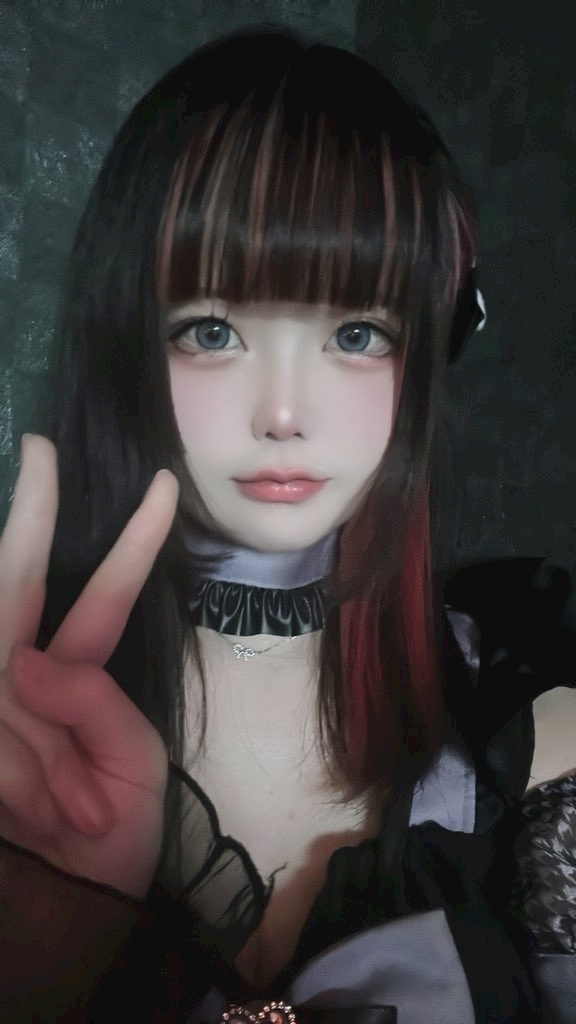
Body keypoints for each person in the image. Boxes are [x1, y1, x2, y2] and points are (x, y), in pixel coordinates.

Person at [0, 26, 574, 1024]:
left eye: (356, 333)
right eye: (212, 330)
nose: (282, 412)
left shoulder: (532, 714)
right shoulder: (18, 727)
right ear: (126, 339)